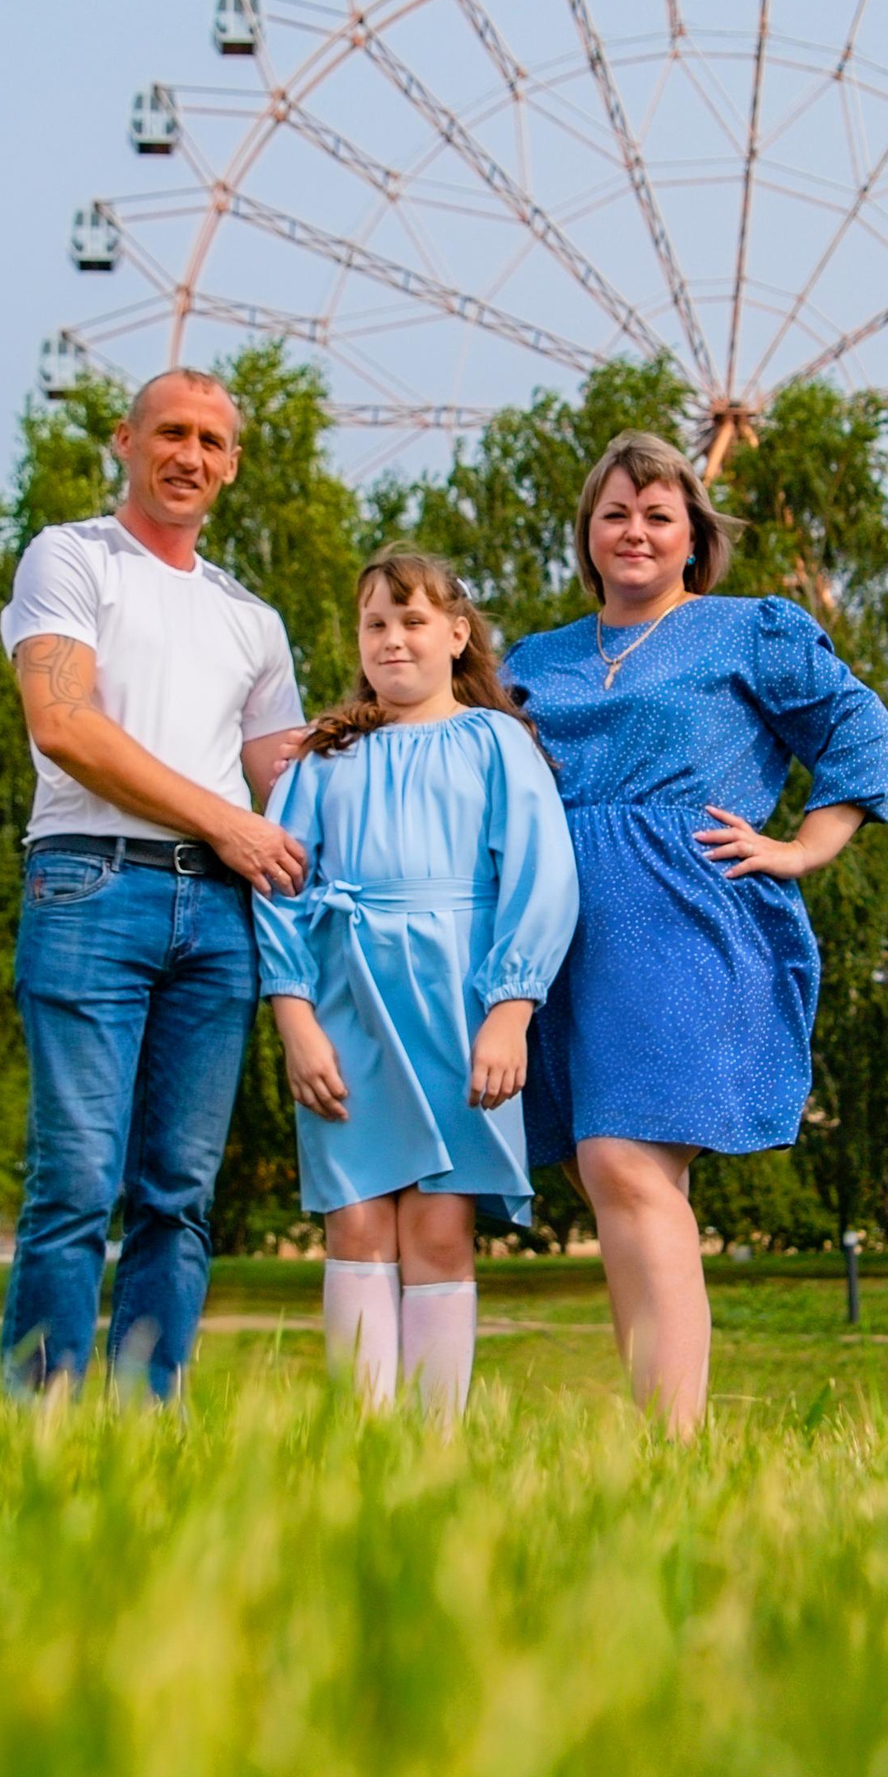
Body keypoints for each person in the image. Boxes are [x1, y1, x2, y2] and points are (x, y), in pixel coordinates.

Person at [507, 433, 888, 1433]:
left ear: (693, 540)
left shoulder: (742, 632)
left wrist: (805, 846)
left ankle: (676, 1439)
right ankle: (657, 1429)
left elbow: (858, 728)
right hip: (562, 929)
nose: (634, 530)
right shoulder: (531, 660)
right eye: (615, 514)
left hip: (686, 911)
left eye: (657, 515)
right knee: (608, 1172)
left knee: (628, 1163)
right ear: (587, 535)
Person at [0, 366, 308, 1401]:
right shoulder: (72, 559)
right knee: (76, 1181)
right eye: (171, 433)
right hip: (92, 884)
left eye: (213, 443)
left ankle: (143, 1425)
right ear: (124, 442)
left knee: (178, 1194)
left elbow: (290, 784)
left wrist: (445, 733)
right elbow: (64, 724)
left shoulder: (250, 619)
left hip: (219, 917)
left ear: (233, 465)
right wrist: (225, 820)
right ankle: (36, 1424)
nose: (191, 456)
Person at [254, 549, 578, 1416]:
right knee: (355, 1222)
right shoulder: (324, 756)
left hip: (458, 1008)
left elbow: (542, 878)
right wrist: (295, 1021)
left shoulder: (498, 742)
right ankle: (361, 1444)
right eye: (375, 624)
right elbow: (281, 887)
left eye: (413, 621)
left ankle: (432, 1451)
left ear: (457, 634)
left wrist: (509, 1012)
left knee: (439, 1227)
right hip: (345, 1008)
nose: (393, 639)